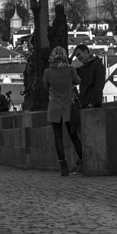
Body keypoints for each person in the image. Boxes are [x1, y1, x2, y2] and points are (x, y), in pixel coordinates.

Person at [43, 46, 85, 175]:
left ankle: (63, 166)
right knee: (73, 135)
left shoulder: (47, 72)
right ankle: (83, 159)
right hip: (68, 106)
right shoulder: (70, 69)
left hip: (55, 107)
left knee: (58, 136)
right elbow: (77, 81)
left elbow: (46, 86)